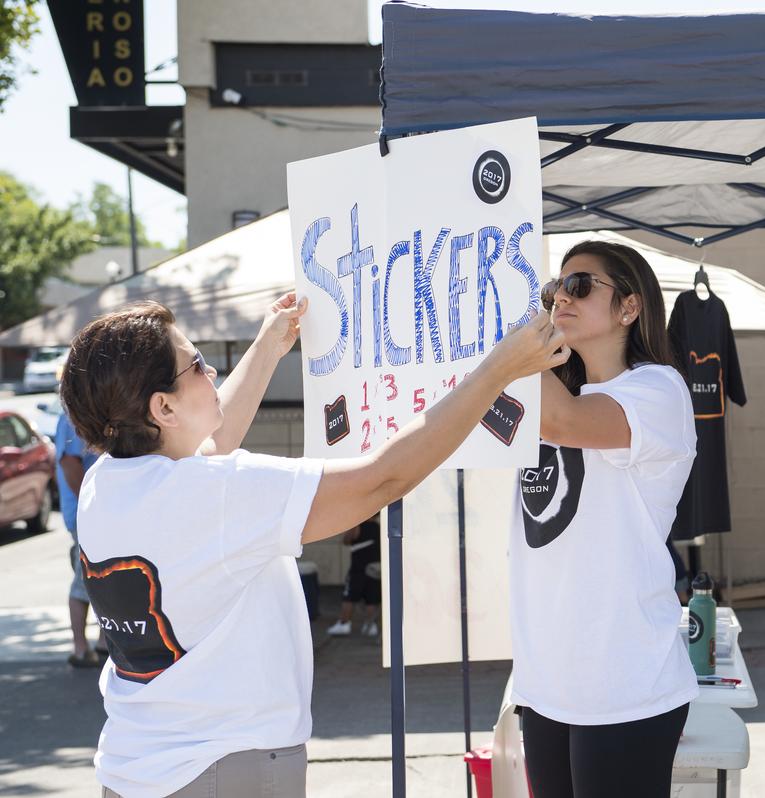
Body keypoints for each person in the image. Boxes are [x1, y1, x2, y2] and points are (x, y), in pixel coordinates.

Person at [59, 292, 565, 798]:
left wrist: (267, 346)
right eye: (195, 365)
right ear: (162, 407)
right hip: (221, 766)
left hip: (136, 767)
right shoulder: (214, 494)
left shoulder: (109, 482)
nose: (210, 371)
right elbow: (381, 479)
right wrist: (498, 370)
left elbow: (211, 445)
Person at [511, 240, 698, 798]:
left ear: (629, 307)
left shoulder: (657, 390)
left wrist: (511, 330)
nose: (560, 299)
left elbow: (566, 424)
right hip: (547, 678)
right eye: (554, 290)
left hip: (623, 676)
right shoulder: (548, 391)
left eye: (580, 285)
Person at [53, 407, 104, 667]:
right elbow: (69, 463)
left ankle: (103, 643)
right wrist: (90, 507)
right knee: (84, 579)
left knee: (103, 577)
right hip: (86, 516)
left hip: (99, 514)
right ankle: (81, 648)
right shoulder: (73, 416)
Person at [327, 515, 381, 637]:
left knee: (349, 597)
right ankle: (370, 625)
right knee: (371, 599)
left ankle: (344, 623)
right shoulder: (378, 528)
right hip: (374, 569)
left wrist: (353, 523)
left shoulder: (358, 526)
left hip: (358, 569)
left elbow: (346, 540)